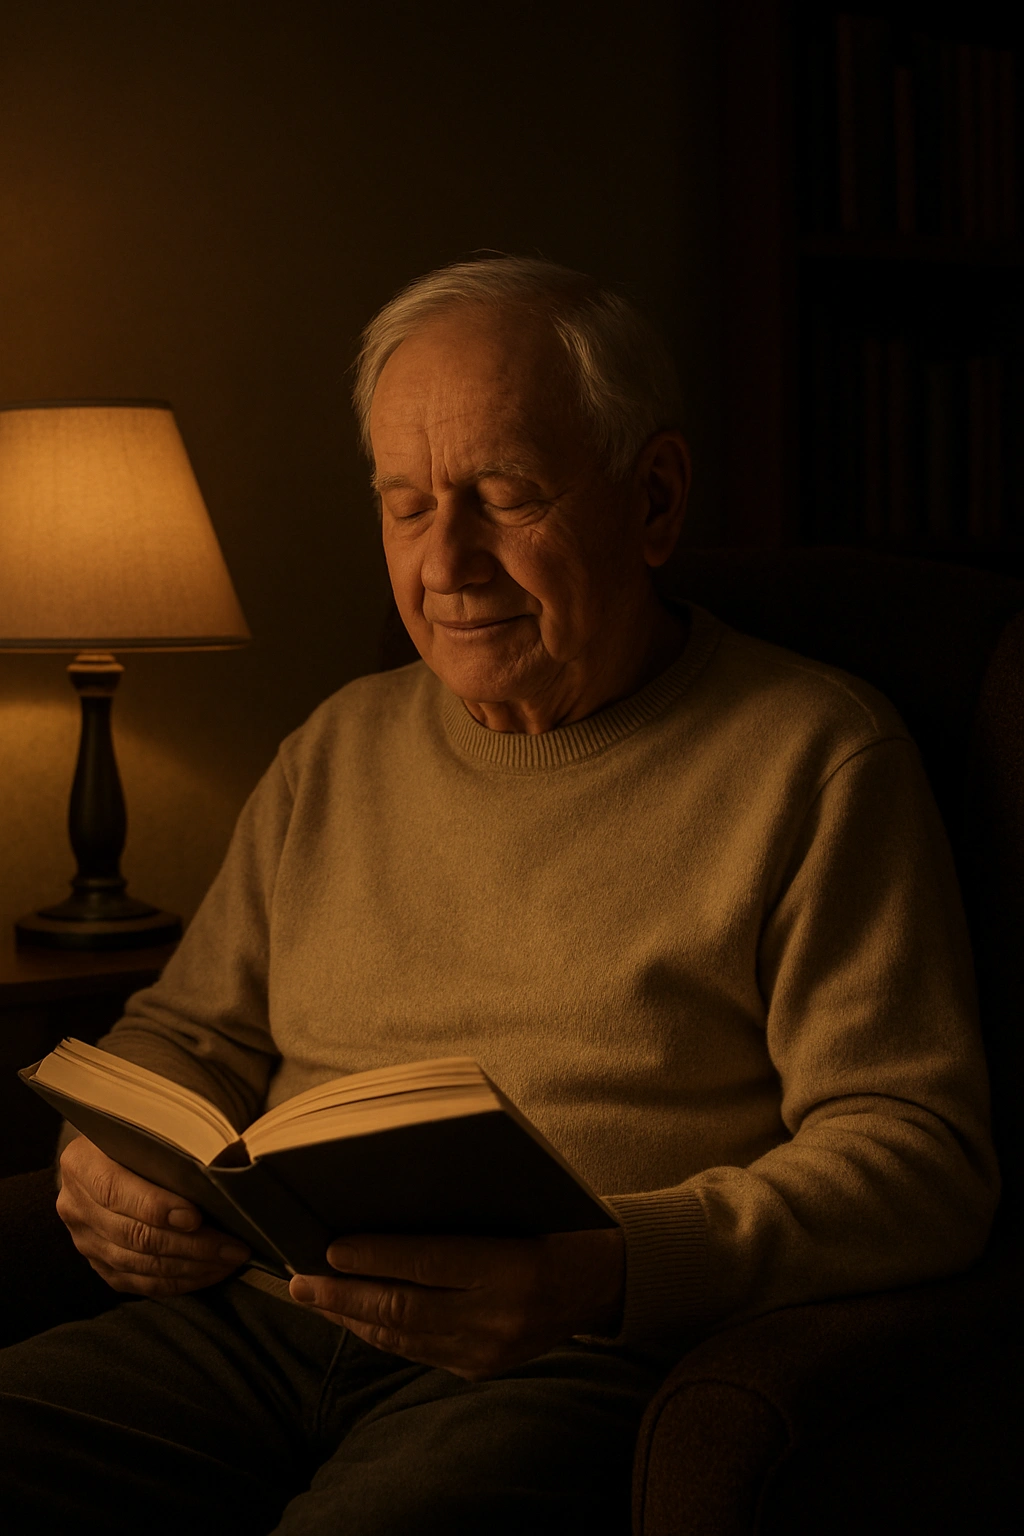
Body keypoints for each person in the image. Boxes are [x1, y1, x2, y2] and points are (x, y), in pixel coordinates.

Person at [0, 256, 999, 1533]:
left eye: (505, 496)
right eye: (406, 506)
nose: (448, 560)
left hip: (555, 1363)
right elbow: (191, 1031)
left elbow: (920, 1161)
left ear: (652, 498)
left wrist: (609, 1270)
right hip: (246, 1327)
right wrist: (107, 1161)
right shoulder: (337, 746)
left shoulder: (814, 755)